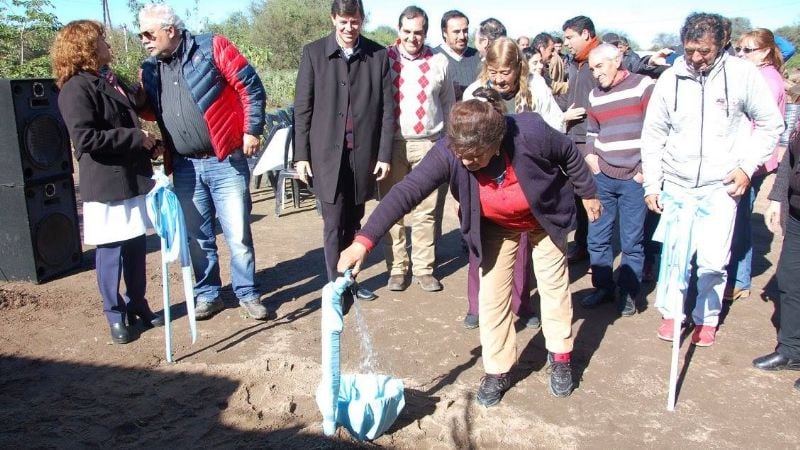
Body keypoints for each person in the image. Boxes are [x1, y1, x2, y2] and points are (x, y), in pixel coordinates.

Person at [338, 87, 601, 405]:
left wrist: (588, 193)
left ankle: (560, 358)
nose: (465, 161)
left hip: (543, 218)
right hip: (495, 225)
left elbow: (569, 153)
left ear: (495, 141)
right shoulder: (449, 152)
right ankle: (498, 369)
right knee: (491, 298)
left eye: (474, 157)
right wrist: (363, 242)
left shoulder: (529, 132)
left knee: (553, 287)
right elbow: (406, 191)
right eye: (461, 155)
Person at [641, 12, 784, 346]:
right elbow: (653, 134)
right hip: (677, 183)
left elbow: (770, 124)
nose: (695, 58)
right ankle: (673, 313)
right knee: (676, 258)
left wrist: (746, 166)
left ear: (722, 44)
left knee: (713, 261)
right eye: (689, 49)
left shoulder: (742, 75)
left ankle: (706, 317)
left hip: (721, 186)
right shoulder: (671, 78)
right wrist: (653, 182)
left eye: (704, 51)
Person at [137, 3, 268, 321]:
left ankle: (247, 293)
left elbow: (250, 86)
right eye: (141, 35)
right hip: (183, 166)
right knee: (197, 237)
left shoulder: (213, 47)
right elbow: (154, 111)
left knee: (237, 234)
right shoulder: (151, 69)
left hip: (225, 160)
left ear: (170, 30)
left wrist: (252, 129)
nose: (144, 40)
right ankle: (209, 294)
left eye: (148, 33)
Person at [53, 20, 163, 344]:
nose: (108, 43)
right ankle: (114, 314)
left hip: (130, 178)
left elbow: (128, 116)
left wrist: (147, 140)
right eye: (101, 39)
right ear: (85, 47)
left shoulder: (110, 79)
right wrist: (134, 137)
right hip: (106, 183)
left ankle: (137, 304)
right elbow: (85, 139)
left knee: (135, 244)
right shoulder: (76, 87)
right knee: (111, 250)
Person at [461, 37, 569, 329]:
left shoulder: (535, 88)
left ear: (517, 67)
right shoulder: (476, 91)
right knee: (482, 241)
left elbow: (555, 127)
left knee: (522, 242)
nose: (498, 79)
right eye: (493, 72)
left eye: (504, 73)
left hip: (523, 176)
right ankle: (478, 305)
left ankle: (521, 304)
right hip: (485, 176)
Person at [293, 0, 393, 299]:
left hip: (362, 156)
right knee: (334, 223)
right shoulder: (314, 54)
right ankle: (336, 285)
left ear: (362, 20)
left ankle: (350, 279)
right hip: (326, 156)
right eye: (344, 22)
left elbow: (388, 109)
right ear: (333, 19)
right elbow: (302, 110)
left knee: (354, 220)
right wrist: (301, 156)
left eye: (355, 21)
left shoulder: (378, 55)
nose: (349, 28)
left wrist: (384, 154)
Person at [380, 6, 455, 292]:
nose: (413, 37)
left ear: (426, 32)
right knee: (392, 210)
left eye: (418, 32)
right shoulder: (384, 59)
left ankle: (425, 268)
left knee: (427, 211)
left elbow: (448, 104)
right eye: (407, 32)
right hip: (393, 144)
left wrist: (448, 142)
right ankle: (397, 268)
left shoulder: (439, 61)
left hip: (429, 144)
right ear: (399, 30)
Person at [581, 43, 654, 316]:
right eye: (592, 69)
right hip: (603, 175)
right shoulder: (594, 95)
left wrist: (644, 169)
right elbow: (591, 130)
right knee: (597, 236)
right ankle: (602, 287)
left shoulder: (643, 87)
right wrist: (591, 157)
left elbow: (656, 129)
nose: (596, 73)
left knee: (631, 240)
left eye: (600, 66)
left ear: (618, 59)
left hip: (634, 177)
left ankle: (627, 293)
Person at [725, 28, 787, 302]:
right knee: (738, 217)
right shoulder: (758, 76)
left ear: (763, 52)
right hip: (750, 159)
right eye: (739, 49)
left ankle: (738, 279)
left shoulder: (767, 81)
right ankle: (737, 276)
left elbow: (762, 125)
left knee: (738, 220)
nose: (740, 55)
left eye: (747, 50)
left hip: (753, 162)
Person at [752, 127, 800, 391]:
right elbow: (790, 158)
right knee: (790, 279)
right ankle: (792, 350)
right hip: (796, 213)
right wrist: (777, 197)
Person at [559, 15, 598, 263]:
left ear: (586, 34)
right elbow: (571, 97)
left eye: (570, 37)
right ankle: (582, 245)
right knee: (576, 195)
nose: (566, 43)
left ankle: (596, 253)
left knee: (592, 195)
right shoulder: (575, 63)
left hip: (589, 139)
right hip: (572, 136)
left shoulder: (599, 61)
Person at [434, 10, 481, 101]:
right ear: (444, 32)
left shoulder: (478, 57)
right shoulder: (434, 58)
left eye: (465, 31)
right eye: (456, 32)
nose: (462, 36)